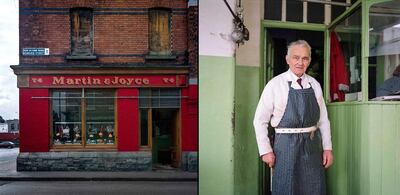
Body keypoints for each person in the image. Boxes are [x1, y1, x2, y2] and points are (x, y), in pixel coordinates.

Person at [253, 40, 333, 195]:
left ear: (309, 61)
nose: (300, 62)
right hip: (285, 146)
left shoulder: (314, 84)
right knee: (286, 187)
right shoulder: (275, 84)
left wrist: (328, 148)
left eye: (305, 58)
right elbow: (259, 120)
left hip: (311, 145)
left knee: (314, 187)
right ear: (287, 59)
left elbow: (323, 120)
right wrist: (265, 151)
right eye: (296, 57)